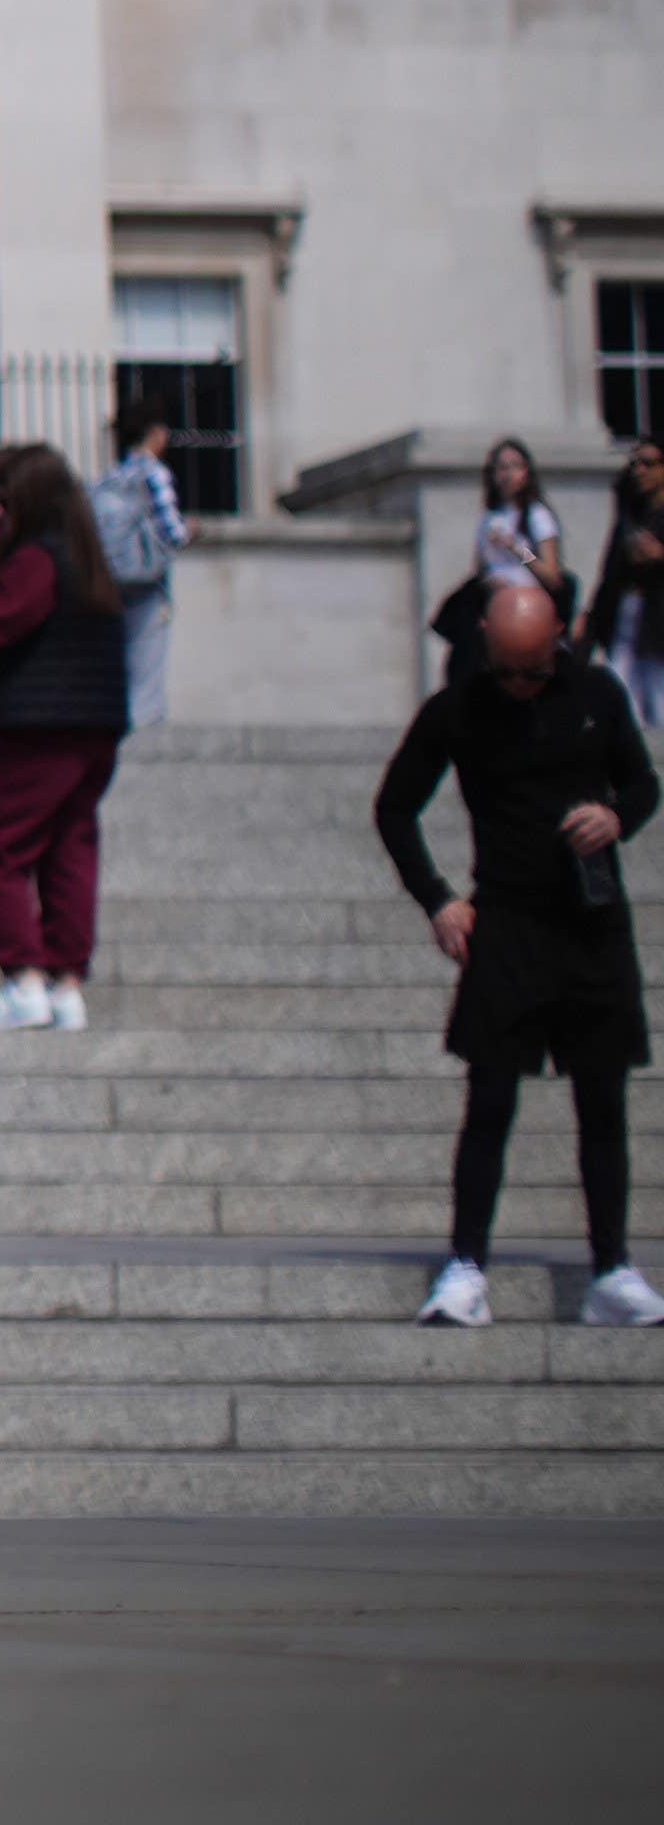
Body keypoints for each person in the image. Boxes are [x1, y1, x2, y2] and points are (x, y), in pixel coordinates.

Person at [389, 580, 662, 1332]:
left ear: (559, 646)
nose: (520, 685)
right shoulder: (462, 707)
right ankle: (465, 1267)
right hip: (505, 920)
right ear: (484, 641)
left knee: (601, 1103)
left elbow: (644, 783)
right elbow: (394, 806)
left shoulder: (597, 693)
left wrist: (616, 817)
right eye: (507, 668)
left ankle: (611, 1268)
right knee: (491, 1101)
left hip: (590, 922)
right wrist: (439, 899)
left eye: (535, 670)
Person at [0, 440, 131, 1032]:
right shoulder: (87, 556)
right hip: (96, 724)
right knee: (70, 848)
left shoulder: (36, 558)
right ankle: (65, 982)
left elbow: (0, 621)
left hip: (40, 724)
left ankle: (23, 979)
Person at [93, 399, 193, 726]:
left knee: (120, 656)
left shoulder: (111, 477)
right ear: (154, 433)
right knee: (147, 659)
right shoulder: (154, 473)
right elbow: (173, 532)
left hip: (113, 577)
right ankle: (144, 732)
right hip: (147, 580)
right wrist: (191, 530)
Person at [588, 444, 664, 719]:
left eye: (647, 463)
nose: (639, 471)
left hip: (655, 615)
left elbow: (541, 562)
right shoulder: (631, 514)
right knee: (621, 689)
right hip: (628, 611)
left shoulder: (534, 519)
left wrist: (519, 552)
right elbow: (610, 570)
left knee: (657, 694)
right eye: (634, 464)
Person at [476, 441, 572, 610]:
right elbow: (480, 569)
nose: (508, 474)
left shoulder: (537, 515)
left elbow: (552, 576)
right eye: (502, 468)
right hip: (496, 604)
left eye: (515, 466)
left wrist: (518, 550)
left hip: (528, 605)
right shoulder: (489, 518)